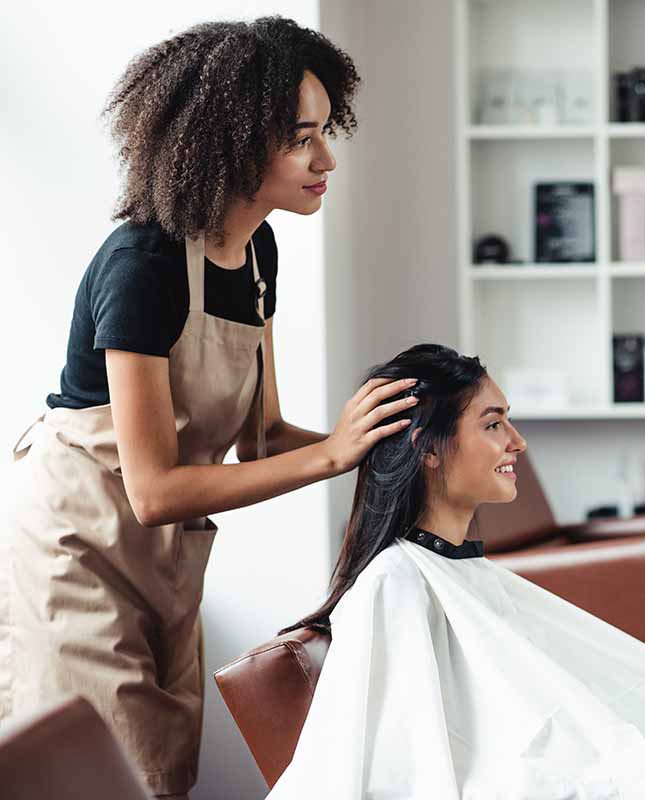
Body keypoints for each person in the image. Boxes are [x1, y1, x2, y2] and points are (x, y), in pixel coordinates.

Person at [0, 18, 416, 799]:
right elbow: (153, 490)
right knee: (113, 777)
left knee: (164, 764)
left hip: (163, 560)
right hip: (76, 549)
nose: (326, 158)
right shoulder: (145, 264)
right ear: (229, 141)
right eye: (301, 139)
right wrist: (330, 454)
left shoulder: (258, 252)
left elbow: (260, 442)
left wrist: (372, 441)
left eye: (327, 132)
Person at [268, 344, 645, 799]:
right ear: (428, 450)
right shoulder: (395, 582)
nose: (517, 442)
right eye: (493, 424)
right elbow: (413, 764)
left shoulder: (459, 568)